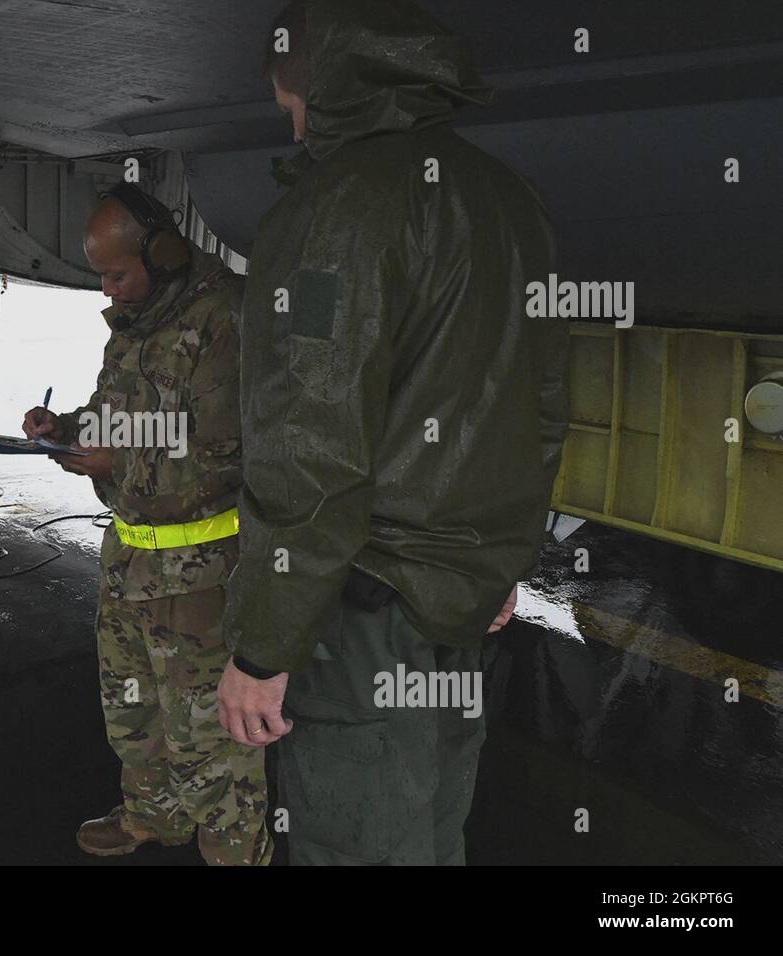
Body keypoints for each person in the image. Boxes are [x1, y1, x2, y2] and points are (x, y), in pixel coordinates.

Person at [215, 0, 570, 865]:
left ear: (323, 90)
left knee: (358, 841)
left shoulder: (334, 207)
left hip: (364, 610)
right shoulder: (509, 200)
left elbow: (310, 443)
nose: (293, 128)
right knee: (432, 833)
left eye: (289, 104)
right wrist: (498, 562)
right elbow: (542, 409)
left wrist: (263, 648)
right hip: (462, 606)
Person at [22, 183, 272, 865]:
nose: (109, 290)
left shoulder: (226, 319)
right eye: (100, 276)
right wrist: (65, 431)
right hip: (130, 564)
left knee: (211, 744)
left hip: (201, 582)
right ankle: (152, 817)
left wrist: (114, 458)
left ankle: (234, 857)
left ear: (162, 254)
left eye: (116, 274)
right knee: (134, 720)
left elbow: (228, 456)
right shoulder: (138, 321)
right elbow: (120, 416)